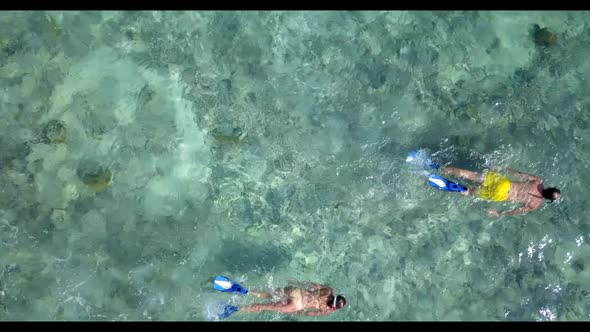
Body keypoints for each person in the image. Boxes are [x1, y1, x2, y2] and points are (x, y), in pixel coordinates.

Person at [440, 166, 560, 217]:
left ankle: (441, 168)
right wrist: (498, 213)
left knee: (470, 175)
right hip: (500, 195)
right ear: (548, 199)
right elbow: (516, 211)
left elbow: (519, 174)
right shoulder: (535, 205)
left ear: (550, 188)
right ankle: (463, 189)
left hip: (503, 184)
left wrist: (502, 169)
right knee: (470, 192)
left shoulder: (538, 181)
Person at [238, 280, 346, 316]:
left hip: (298, 292)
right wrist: (295, 312)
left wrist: (295, 282)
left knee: (269, 295)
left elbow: (309, 285)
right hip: (296, 305)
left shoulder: (328, 291)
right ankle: (237, 309)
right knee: (264, 307)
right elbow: (308, 313)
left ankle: (247, 292)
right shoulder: (325, 310)